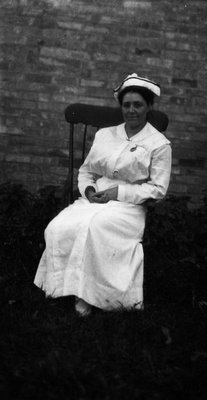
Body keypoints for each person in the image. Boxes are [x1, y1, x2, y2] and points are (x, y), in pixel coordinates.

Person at [34, 73, 172, 316]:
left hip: (129, 205)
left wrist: (118, 192)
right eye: (126, 105)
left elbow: (157, 189)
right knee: (57, 227)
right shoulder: (105, 134)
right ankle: (60, 285)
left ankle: (90, 295)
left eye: (138, 104)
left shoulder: (159, 144)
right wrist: (88, 190)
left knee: (95, 228)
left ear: (149, 106)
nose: (131, 110)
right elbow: (87, 170)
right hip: (94, 198)